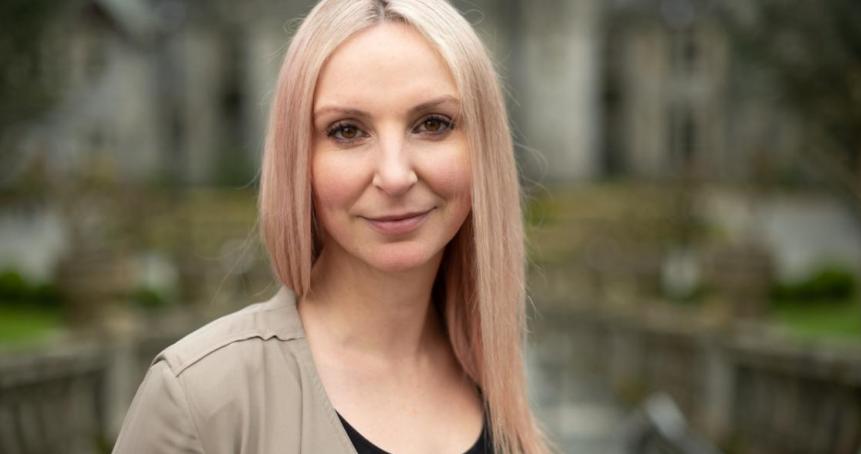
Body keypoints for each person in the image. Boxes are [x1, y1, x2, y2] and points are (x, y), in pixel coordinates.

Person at [112, 0, 548, 453]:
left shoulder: (495, 383)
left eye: (433, 123)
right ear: (299, 158)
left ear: (483, 145)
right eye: (346, 131)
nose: (395, 175)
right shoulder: (200, 399)